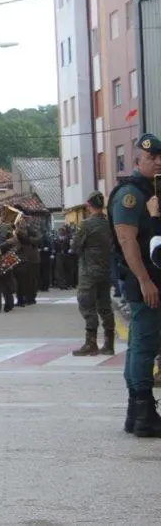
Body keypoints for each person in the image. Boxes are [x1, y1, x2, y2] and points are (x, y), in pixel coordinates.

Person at [108, 133, 161, 437]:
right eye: (151, 158)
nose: (158, 162)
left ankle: (135, 412)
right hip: (145, 281)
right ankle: (144, 414)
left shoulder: (151, 191)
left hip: (151, 278)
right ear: (138, 160)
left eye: (160, 158)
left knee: (141, 344)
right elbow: (127, 240)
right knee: (144, 345)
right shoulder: (131, 194)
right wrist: (144, 281)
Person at [70, 191, 115, 357]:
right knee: (105, 305)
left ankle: (91, 343)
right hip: (105, 269)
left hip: (88, 271)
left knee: (87, 304)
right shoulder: (109, 223)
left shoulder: (86, 224)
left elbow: (75, 246)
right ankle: (109, 343)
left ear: (89, 205)